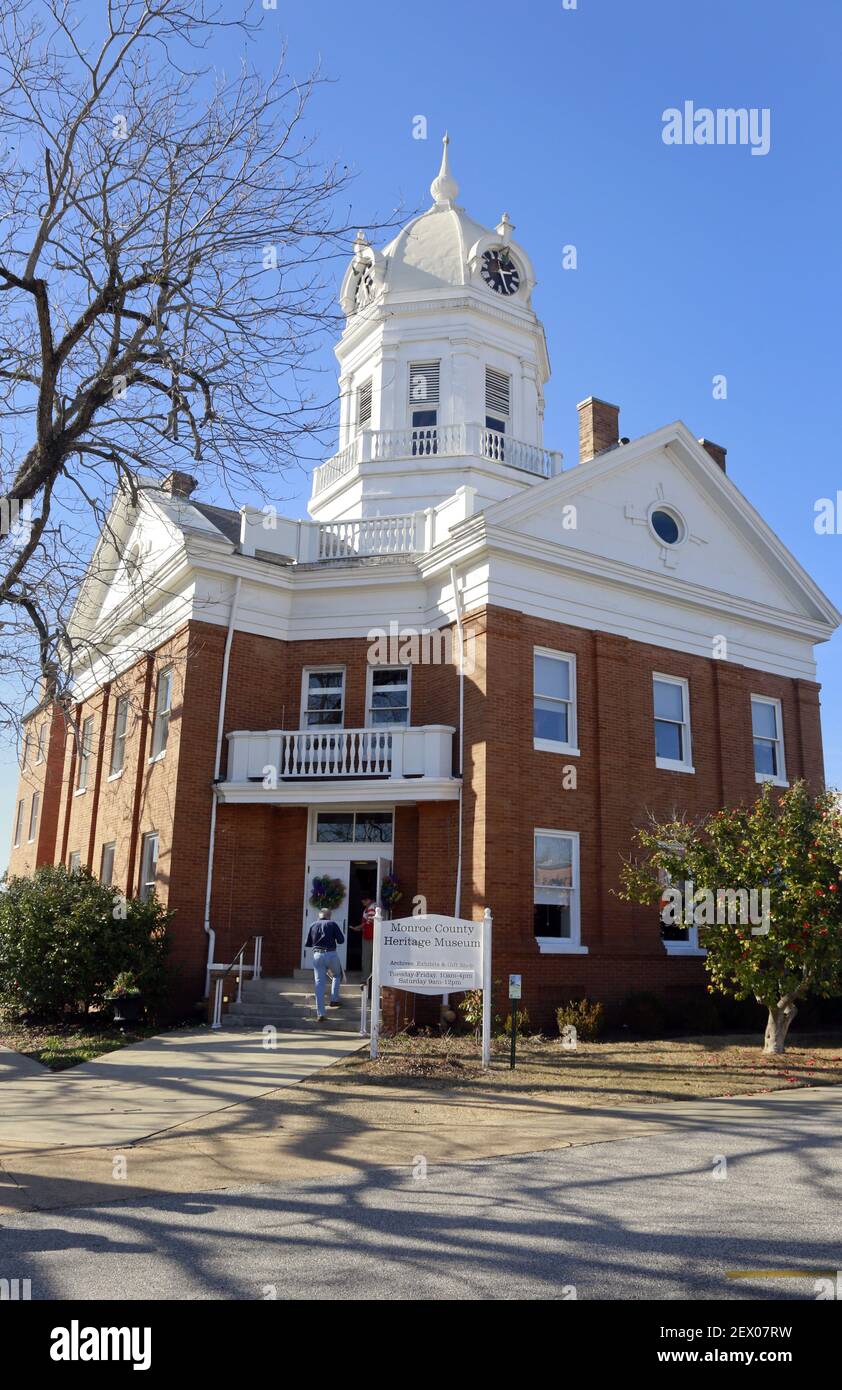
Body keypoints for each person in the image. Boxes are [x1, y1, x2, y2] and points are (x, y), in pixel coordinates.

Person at [305, 908, 345, 1021]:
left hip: (317, 955)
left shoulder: (313, 925)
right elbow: (341, 940)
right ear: (329, 915)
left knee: (319, 984)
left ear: (319, 915)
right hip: (331, 954)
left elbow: (308, 943)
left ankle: (321, 1013)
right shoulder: (332, 924)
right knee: (337, 975)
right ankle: (334, 999)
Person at [350, 895, 377, 985]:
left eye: (363, 902)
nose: (363, 904)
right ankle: (368, 978)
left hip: (369, 936)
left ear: (367, 900)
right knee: (369, 958)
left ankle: (366, 979)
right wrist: (359, 928)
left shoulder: (371, 908)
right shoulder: (371, 907)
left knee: (366, 958)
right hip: (369, 935)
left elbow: (369, 922)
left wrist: (358, 927)